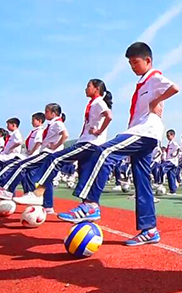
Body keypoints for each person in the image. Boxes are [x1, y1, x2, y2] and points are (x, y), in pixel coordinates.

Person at [56, 42, 180, 246]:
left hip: (145, 131)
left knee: (104, 152)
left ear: (148, 60)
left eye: (136, 62)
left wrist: (155, 102)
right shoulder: (142, 83)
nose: (133, 67)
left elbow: (175, 88)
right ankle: (149, 230)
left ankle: (90, 204)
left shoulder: (154, 76)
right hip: (141, 132)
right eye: (130, 63)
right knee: (142, 182)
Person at [14, 80, 113, 209]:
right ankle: (88, 207)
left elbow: (109, 116)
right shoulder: (93, 103)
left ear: (96, 89)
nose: (85, 89)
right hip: (86, 142)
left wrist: (98, 131)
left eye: (88, 86)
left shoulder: (99, 102)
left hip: (90, 143)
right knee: (85, 175)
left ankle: (37, 193)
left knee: (55, 158)